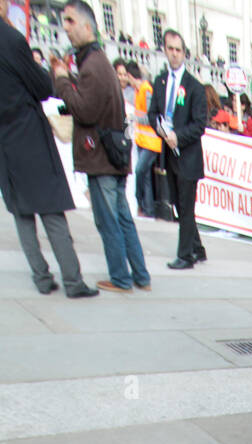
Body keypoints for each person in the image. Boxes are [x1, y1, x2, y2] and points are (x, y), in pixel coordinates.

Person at [0, 0, 97, 297]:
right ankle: (72, 280)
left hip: (4, 141)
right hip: (27, 133)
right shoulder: (11, 39)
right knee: (51, 210)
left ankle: (41, 278)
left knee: (21, 213)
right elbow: (41, 87)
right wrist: (50, 72)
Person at [52, 2, 150, 293]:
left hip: (102, 159)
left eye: (70, 21)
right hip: (113, 156)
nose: (65, 27)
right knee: (122, 219)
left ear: (86, 26)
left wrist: (61, 83)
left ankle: (121, 278)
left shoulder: (93, 66)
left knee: (109, 221)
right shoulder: (99, 63)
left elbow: (85, 111)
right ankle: (140, 276)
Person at [148, 29, 207, 269]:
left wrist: (177, 137)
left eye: (178, 50)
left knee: (185, 206)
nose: (174, 54)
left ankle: (186, 256)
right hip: (168, 154)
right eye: (170, 49)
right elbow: (153, 113)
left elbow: (199, 124)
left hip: (187, 155)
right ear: (165, 50)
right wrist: (161, 131)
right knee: (179, 204)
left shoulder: (194, 87)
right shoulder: (161, 82)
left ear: (184, 53)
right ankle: (197, 248)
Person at [126, 60, 160, 218]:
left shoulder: (146, 90)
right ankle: (148, 210)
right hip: (142, 140)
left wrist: (133, 117)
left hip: (151, 142)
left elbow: (149, 118)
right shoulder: (137, 91)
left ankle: (141, 202)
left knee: (140, 171)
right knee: (144, 175)